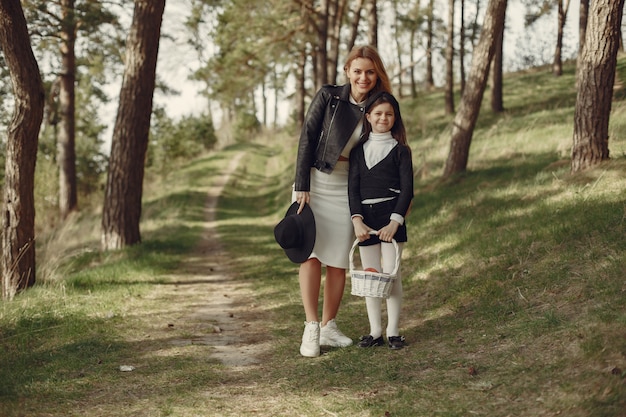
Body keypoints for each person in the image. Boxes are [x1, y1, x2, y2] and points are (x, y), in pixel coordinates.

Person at [293, 45, 392, 357]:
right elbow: (308, 136)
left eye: (370, 71)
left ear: (377, 75)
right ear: (348, 71)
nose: (363, 77)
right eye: (358, 70)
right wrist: (301, 183)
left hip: (349, 187)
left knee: (337, 261)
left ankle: (329, 326)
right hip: (316, 181)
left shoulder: (381, 105)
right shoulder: (329, 96)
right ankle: (311, 328)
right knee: (309, 252)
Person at [348, 91, 414, 350]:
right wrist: (357, 221)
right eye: (378, 113)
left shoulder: (401, 151)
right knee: (371, 276)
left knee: (392, 276)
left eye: (388, 114)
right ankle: (375, 331)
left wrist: (394, 222)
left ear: (395, 117)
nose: (383, 118)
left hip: (391, 219)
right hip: (365, 220)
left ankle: (394, 331)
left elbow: (407, 190)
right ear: (368, 117)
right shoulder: (357, 151)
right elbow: (352, 189)